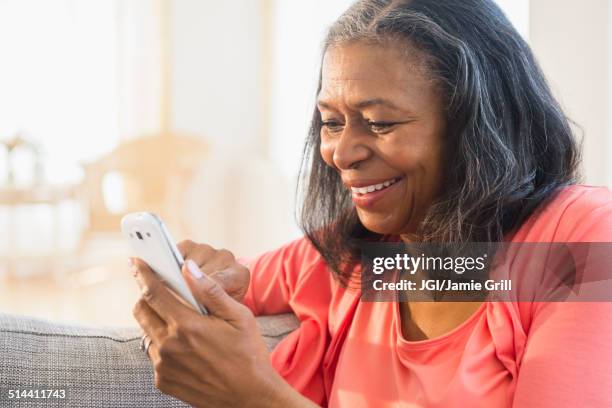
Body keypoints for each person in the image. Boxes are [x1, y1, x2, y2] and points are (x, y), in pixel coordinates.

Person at [130, 0, 612, 406]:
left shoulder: (578, 242)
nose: (341, 153)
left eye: (380, 123)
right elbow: (236, 279)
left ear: (477, 128)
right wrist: (204, 278)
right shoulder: (367, 261)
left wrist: (257, 396)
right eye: (332, 122)